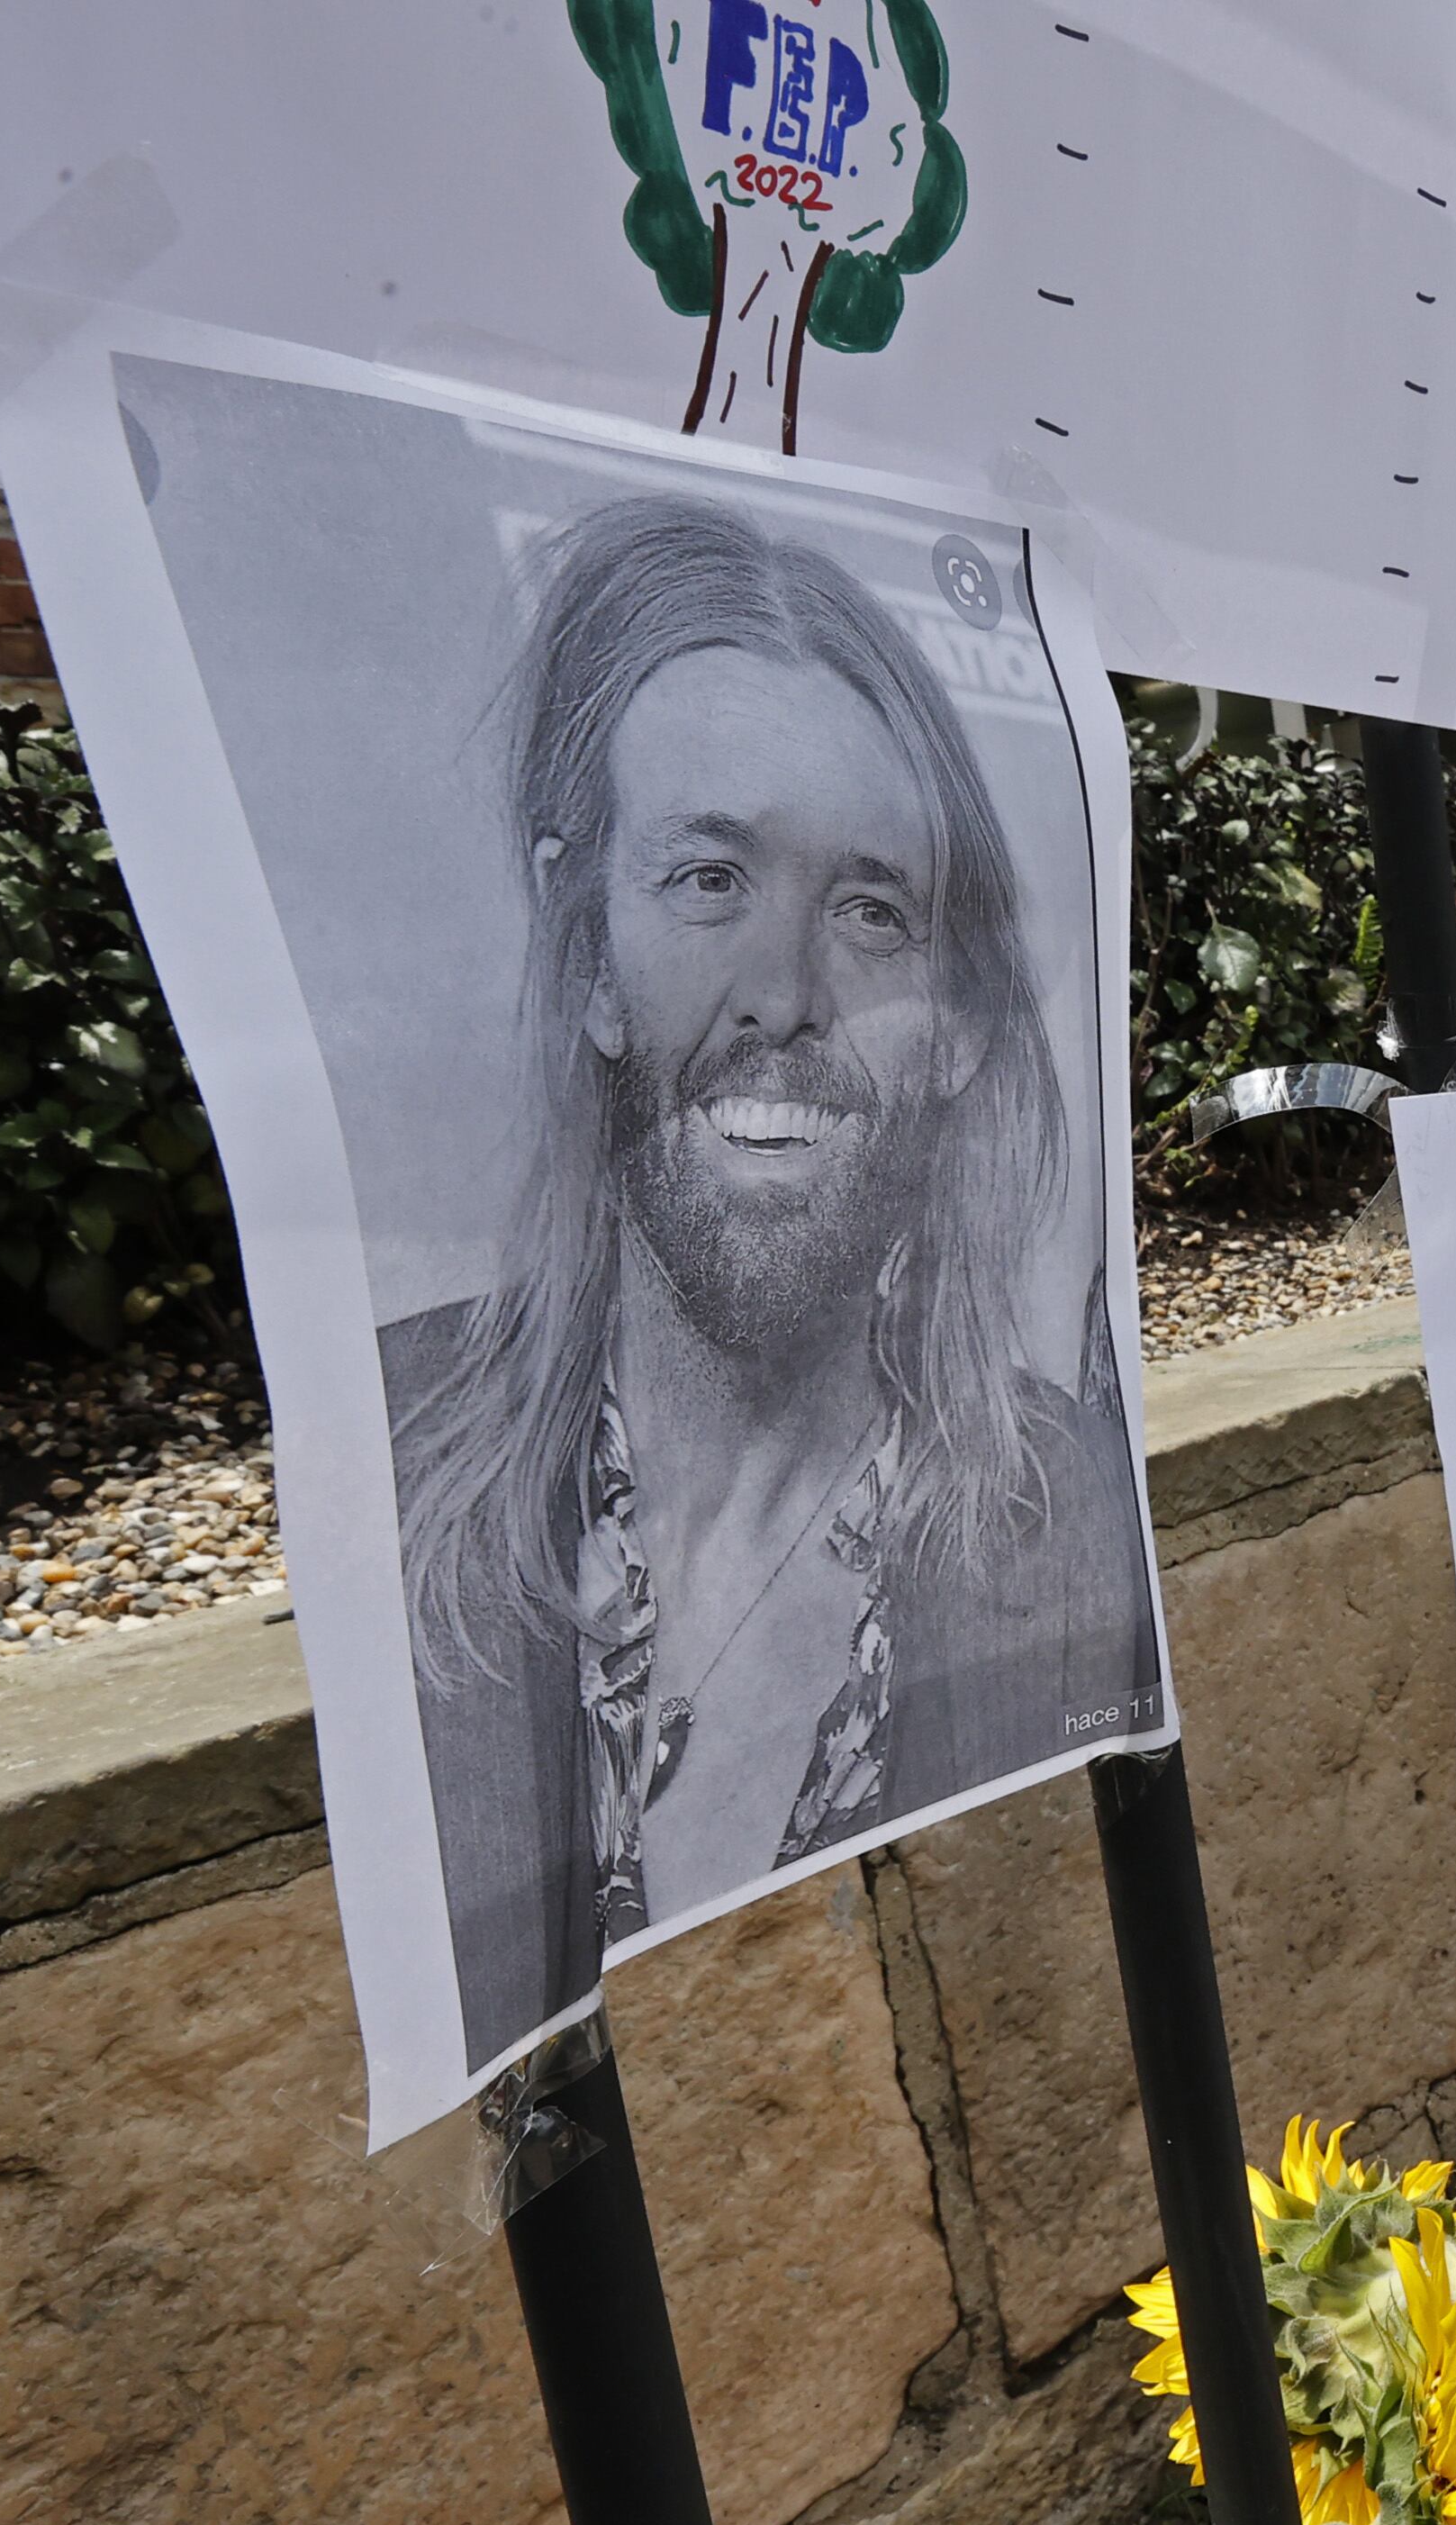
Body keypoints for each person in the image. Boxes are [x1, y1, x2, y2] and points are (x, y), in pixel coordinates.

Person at [389, 495, 1162, 2064]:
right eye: (707, 879)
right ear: (588, 951)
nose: (786, 998)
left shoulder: (1069, 1509)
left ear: (955, 1029)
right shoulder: (389, 1453)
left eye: (870, 912)